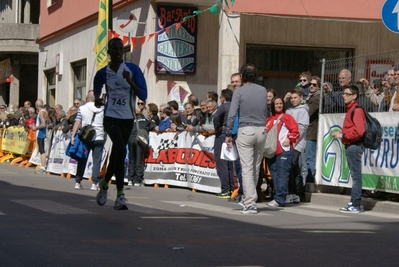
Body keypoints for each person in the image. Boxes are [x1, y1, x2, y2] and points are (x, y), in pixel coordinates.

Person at [93, 37, 147, 210]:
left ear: (123, 52)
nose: (117, 52)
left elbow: (143, 95)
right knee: (121, 149)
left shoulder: (132, 69)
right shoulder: (103, 73)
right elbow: (96, 91)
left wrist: (129, 80)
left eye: (120, 49)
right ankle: (120, 195)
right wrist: (97, 100)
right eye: (113, 49)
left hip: (128, 119)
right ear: (108, 52)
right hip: (110, 117)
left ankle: (105, 184)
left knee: (117, 153)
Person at [225, 63, 268, 214]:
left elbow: (232, 114)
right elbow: (265, 110)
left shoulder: (239, 91)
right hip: (261, 129)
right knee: (255, 167)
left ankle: (250, 203)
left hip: (246, 130)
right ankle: (250, 199)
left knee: (247, 168)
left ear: (242, 76)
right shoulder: (263, 90)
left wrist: (228, 132)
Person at [332, 85, 366, 213]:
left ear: (354, 96)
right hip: (351, 145)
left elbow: (359, 131)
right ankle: (354, 202)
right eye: (343, 93)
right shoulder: (351, 109)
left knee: (356, 176)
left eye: (347, 94)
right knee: (355, 175)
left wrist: (343, 135)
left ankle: (355, 204)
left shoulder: (356, 110)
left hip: (354, 146)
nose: (344, 96)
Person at [266, 97, 299, 207]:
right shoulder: (269, 119)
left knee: (282, 175)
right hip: (271, 152)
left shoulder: (287, 117)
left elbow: (296, 130)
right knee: (275, 174)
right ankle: (278, 196)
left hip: (284, 151)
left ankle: (280, 198)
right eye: (276, 104)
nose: (279, 105)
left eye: (281, 103)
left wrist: (289, 138)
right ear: (272, 106)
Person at [70, 93, 105, 191]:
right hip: (99, 136)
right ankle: (95, 183)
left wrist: (73, 135)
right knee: (97, 161)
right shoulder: (102, 108)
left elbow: (77, 122)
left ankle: (78, 181)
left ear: (87, 99)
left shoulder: (82, 108)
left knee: (82, 159)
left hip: (86, 137)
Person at [286, 88, 309, 203]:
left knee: (292, 166)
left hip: (297, 144)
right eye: (291, 98)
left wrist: (293, 139)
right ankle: (292, 192)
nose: (293, 100)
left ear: (301, 98)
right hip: (287, 144)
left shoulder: (303, 111)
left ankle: (296, 192)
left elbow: (302, 128)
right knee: (291, 168)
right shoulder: (289, 110)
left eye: (295, 98)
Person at [213, 89, 234, 198]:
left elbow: (216, 117)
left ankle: (225, 189)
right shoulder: (234, 106)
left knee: (222, 163)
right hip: (231, 134)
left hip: (222, 135)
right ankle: (230, 188)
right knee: (229, 163)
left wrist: (217, 128)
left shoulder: (224, 106)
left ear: (223, 98)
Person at [127, 112, 158, 187]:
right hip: (139, 140)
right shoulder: (146, 121)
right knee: (139, 159)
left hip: (131, 139)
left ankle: (130, 179)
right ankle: (137, 180)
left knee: (131, 159)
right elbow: (156, 128)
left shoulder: (132, 121)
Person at [305, 76, 322, 188]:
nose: (311, 86)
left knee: (310, 159)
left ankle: (311, 182)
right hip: (308, 132)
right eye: (310, 84)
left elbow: (307, 113)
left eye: (314, 84)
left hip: (312, 132)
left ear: (319, 86)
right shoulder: (310, 97)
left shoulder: (317, 98)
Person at [32, 99, 48, 174]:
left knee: (42, 150)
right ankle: (43, 165)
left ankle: (43, 167)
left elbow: (43, 124)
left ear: (37, 105)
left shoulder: (41, 113)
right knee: (41, 150)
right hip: (42, 133)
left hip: (41, 133)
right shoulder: (44, 112)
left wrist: (36, 127)